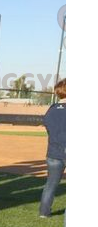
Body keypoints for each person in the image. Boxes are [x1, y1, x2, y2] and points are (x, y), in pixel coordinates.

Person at [39, 78, 66, 218]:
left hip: (53, 151)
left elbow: (48, 126)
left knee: (50, 184)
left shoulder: (51, 109)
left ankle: (44, 212)